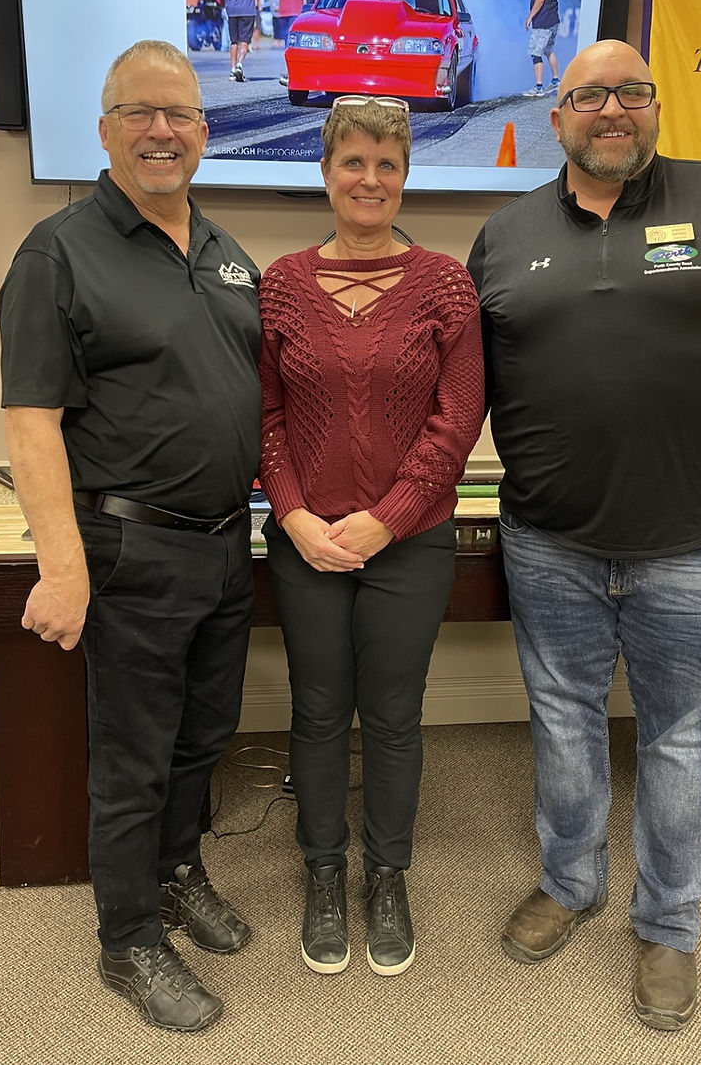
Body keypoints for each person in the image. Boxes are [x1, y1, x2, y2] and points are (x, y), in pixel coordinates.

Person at [467, 39, 701, 1032]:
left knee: (681, 740)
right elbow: (467, 383)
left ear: (653, 106)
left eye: (629, 91)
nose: (610, 110)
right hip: (548, 542)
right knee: (562, 721)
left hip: (698, 546)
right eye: (589, 95)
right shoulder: (502, 236)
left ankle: (668, 925)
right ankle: (568, 880)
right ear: (557, 116)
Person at [0, 40, 262, 1035]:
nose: (163, 130)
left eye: (181, 116)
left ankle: (176, 870)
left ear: (204, 130)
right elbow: (30, 421)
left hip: (224, 545)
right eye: (139, 113)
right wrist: (62, 565)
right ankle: (126, 938)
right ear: (104, 129)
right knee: (134, 755)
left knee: (201, 738)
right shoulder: (56, 253)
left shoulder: (226, 251)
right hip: (130, 549)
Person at [258, 95, 484, 978]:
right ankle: (323, 870)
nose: (370, 179)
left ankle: (386, 874)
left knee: (392, 715)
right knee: (317, 712)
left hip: (412, 542)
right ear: (325, 173)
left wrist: (385, 520)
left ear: (404, 176)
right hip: (306, 542)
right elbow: (264, 414)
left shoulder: (444, 283)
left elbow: (458, 417)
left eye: (387, 164)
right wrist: (296, 515)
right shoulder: (279, 283)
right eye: (353, 162)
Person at [521, 0, 560, 97]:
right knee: (548, 50)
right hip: (553, 20)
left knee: (535, 53)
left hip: (543, 22)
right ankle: (556, 81)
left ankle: (538, 87)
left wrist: (530, 16)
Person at [272, 0, 307, 85]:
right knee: (285, 44)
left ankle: (292, 72)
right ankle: (288, 71)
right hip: (283, 12)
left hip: (295, 12)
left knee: (291, 42)